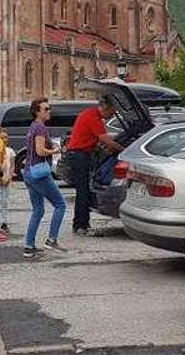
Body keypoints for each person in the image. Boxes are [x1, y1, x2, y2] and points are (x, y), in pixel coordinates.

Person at [63, 96, 125, 236]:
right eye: (112, 112)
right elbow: (106, 140)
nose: (111, 116)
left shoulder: (87, 114)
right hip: (80, 156)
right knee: (83, 191)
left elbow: (94, 139)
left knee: (83, 190)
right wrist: (124, 150)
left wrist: (104, 149)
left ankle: (82, 224)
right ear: (105, 107)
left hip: (78, 155)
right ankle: (81, 225)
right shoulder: (94, 118)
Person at [23, 98, 67, 258]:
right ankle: (52, 239)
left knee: (38, 210)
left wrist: (52, 147)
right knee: (60, 205)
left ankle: (29, 246)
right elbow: (40, 151)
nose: (49, 111)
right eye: (46, 109)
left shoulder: (34, 127)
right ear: (37, 111)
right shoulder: (40, 128)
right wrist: (55, 151)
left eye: (49, 109)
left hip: (28, 171)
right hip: (39, 173)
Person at [0, 130, 14, 233]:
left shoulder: (10, 151)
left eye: (6, 137)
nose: (4, 140)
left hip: (6, 179)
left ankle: (4, 222)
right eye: (2, 137)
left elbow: (12, 166)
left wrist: (9, 177)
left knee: (5, 201)